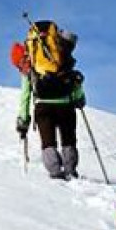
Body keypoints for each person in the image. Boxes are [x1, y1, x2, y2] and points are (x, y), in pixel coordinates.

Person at [15, 20, 85, 180]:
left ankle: (55, 172)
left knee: (48, 142)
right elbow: (74, 82)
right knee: (69, 139)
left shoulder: (32, 66)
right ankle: (70, 170)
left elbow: (25, 96)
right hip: (65, 105)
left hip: (43, 107)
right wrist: (79, 99)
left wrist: (23, 120)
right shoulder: (61, 56)